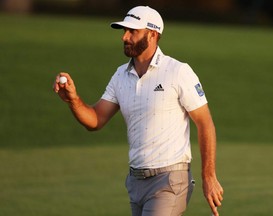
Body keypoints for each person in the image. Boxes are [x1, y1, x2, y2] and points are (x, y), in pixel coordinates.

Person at [53, 5, 224, 216]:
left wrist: (209, 175)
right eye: (124, 31)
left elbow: (204, 122)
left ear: (152, 34)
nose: (125, 37)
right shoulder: (120, 76)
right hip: (135, 182)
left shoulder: (178, 71)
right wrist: (73, 100)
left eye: (133, 31)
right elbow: (95, 120)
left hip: (170, 181)